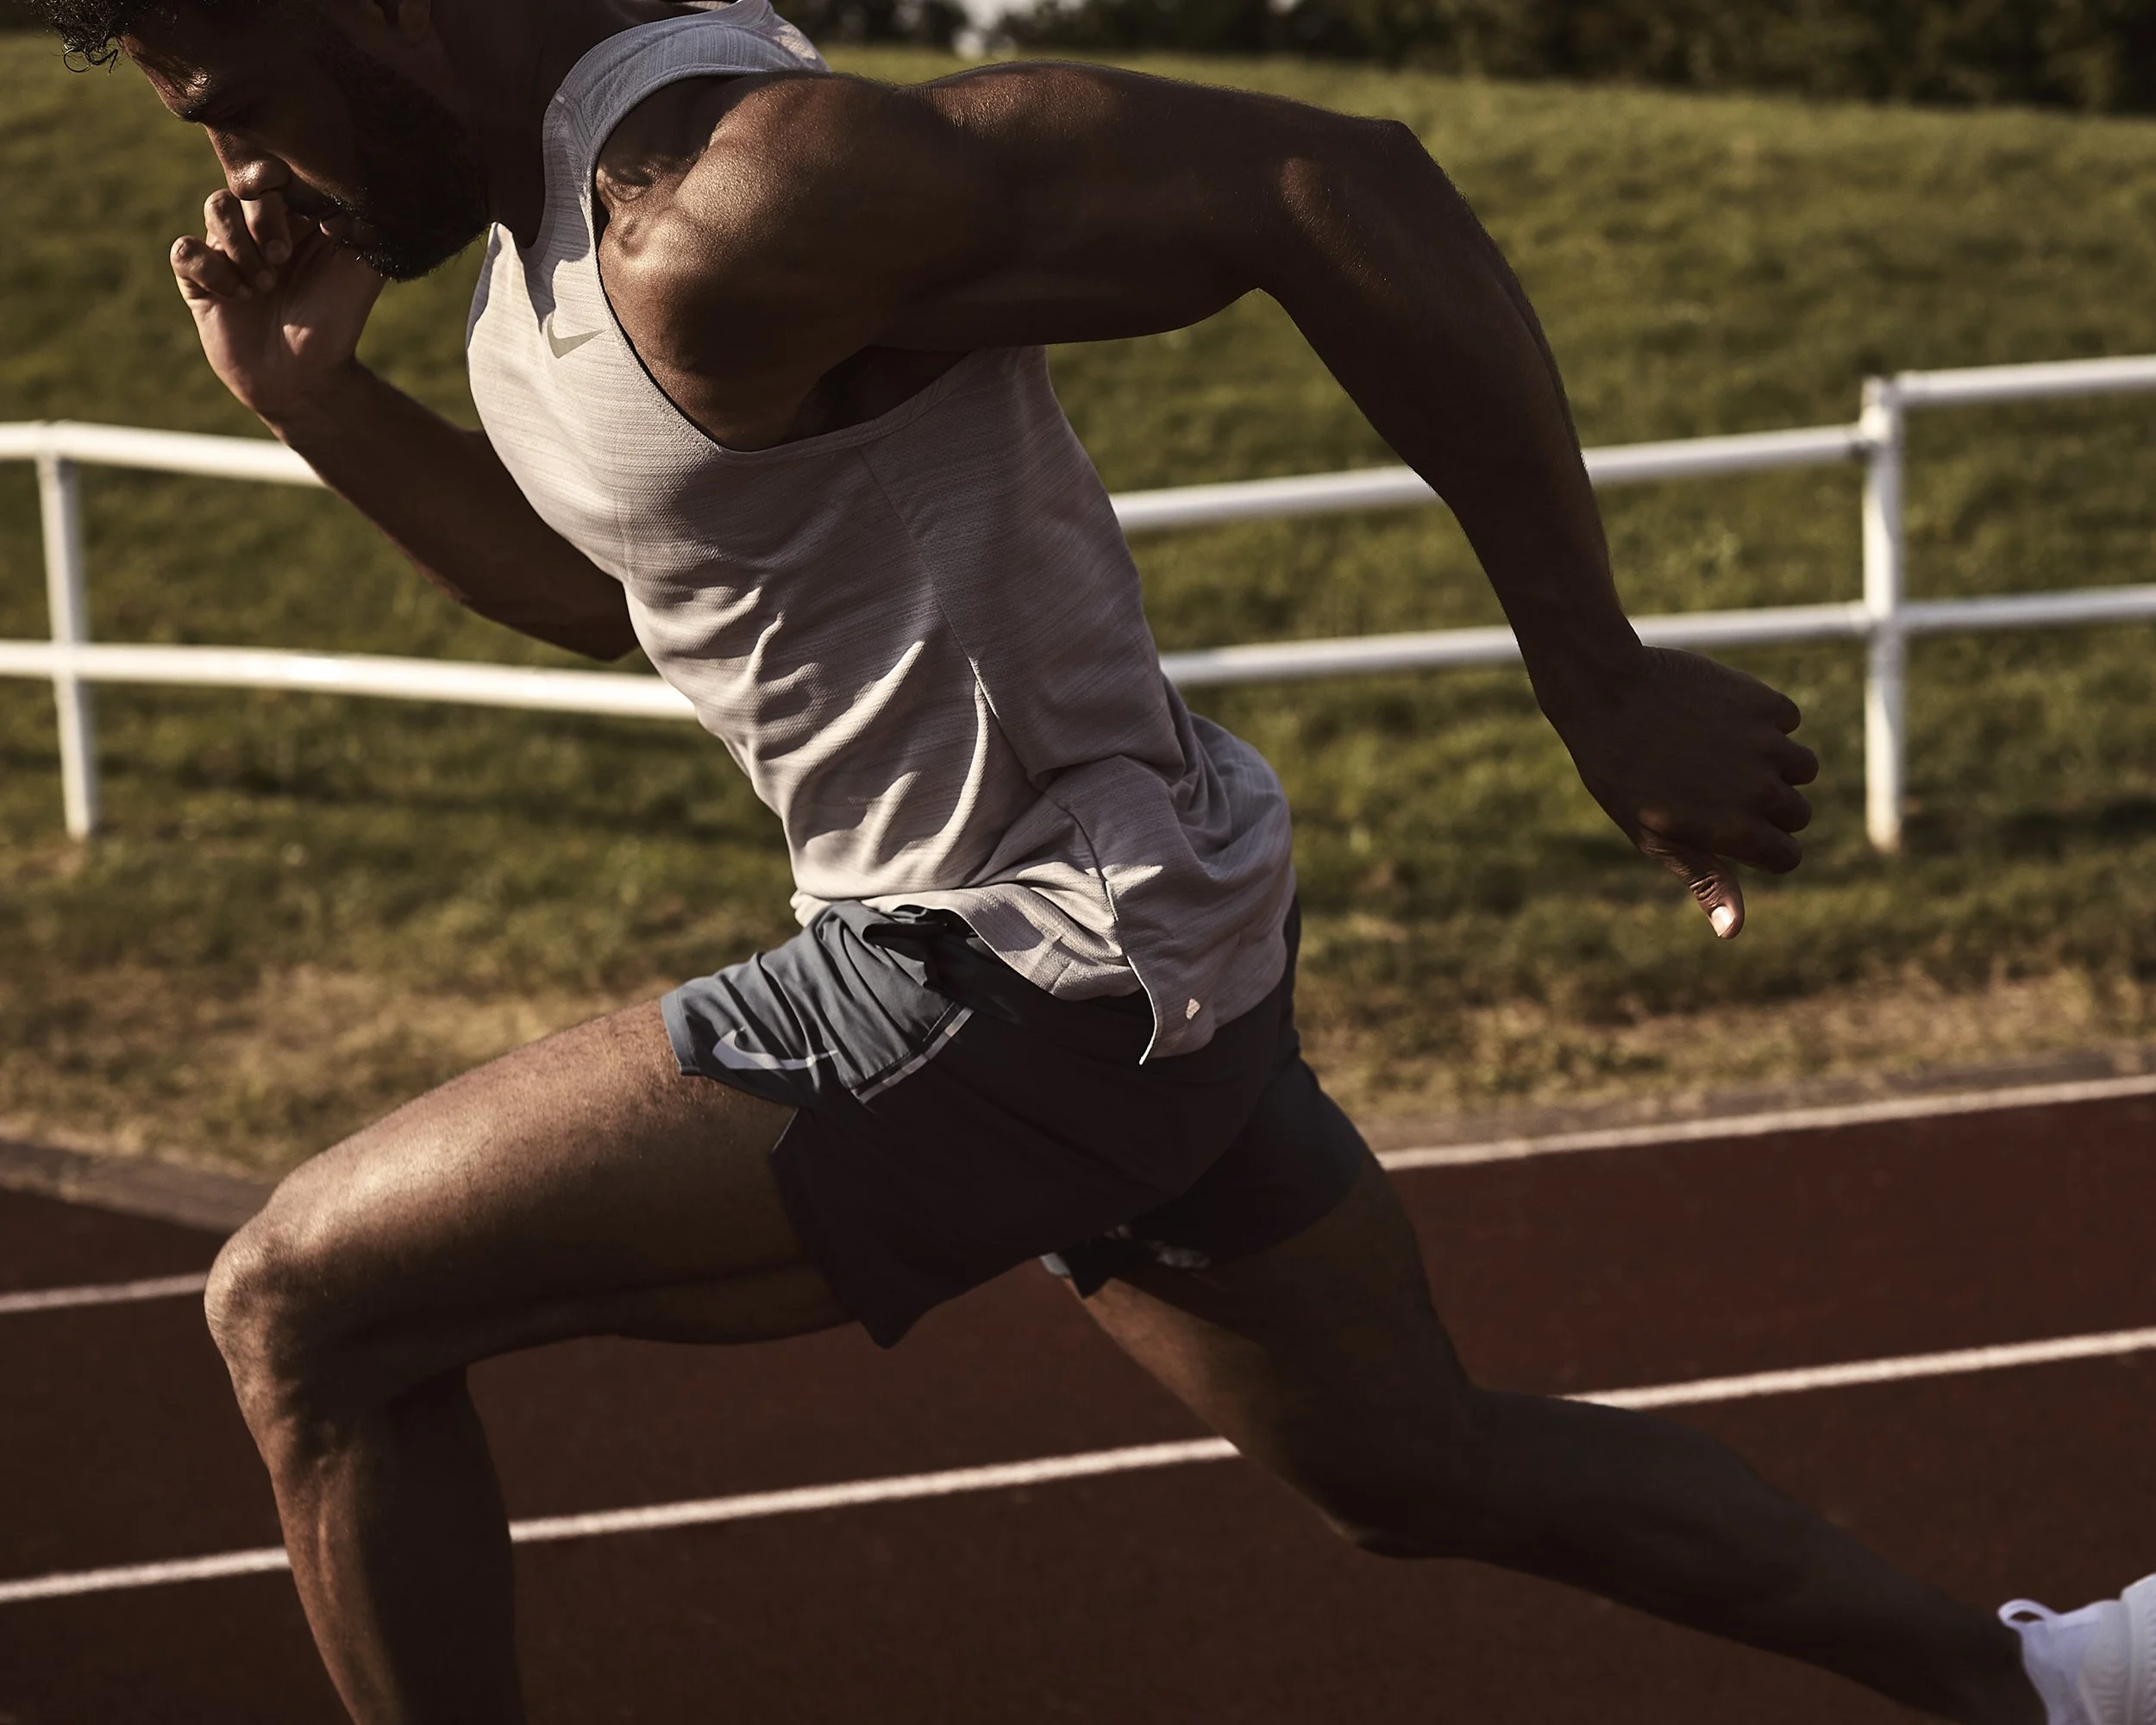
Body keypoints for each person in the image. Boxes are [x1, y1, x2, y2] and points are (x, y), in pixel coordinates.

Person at [27, 0, 2148, 1719]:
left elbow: (1327, 179)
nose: (240, 172)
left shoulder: (728, 191)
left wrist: (1590, 674)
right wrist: (310, 401)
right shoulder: (535, 261)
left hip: (1027, 961)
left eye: (242, 100)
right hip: (1121, 949)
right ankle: (2045, 1686)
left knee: (300, 1304)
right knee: (1412, 1462)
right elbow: (619, 597)